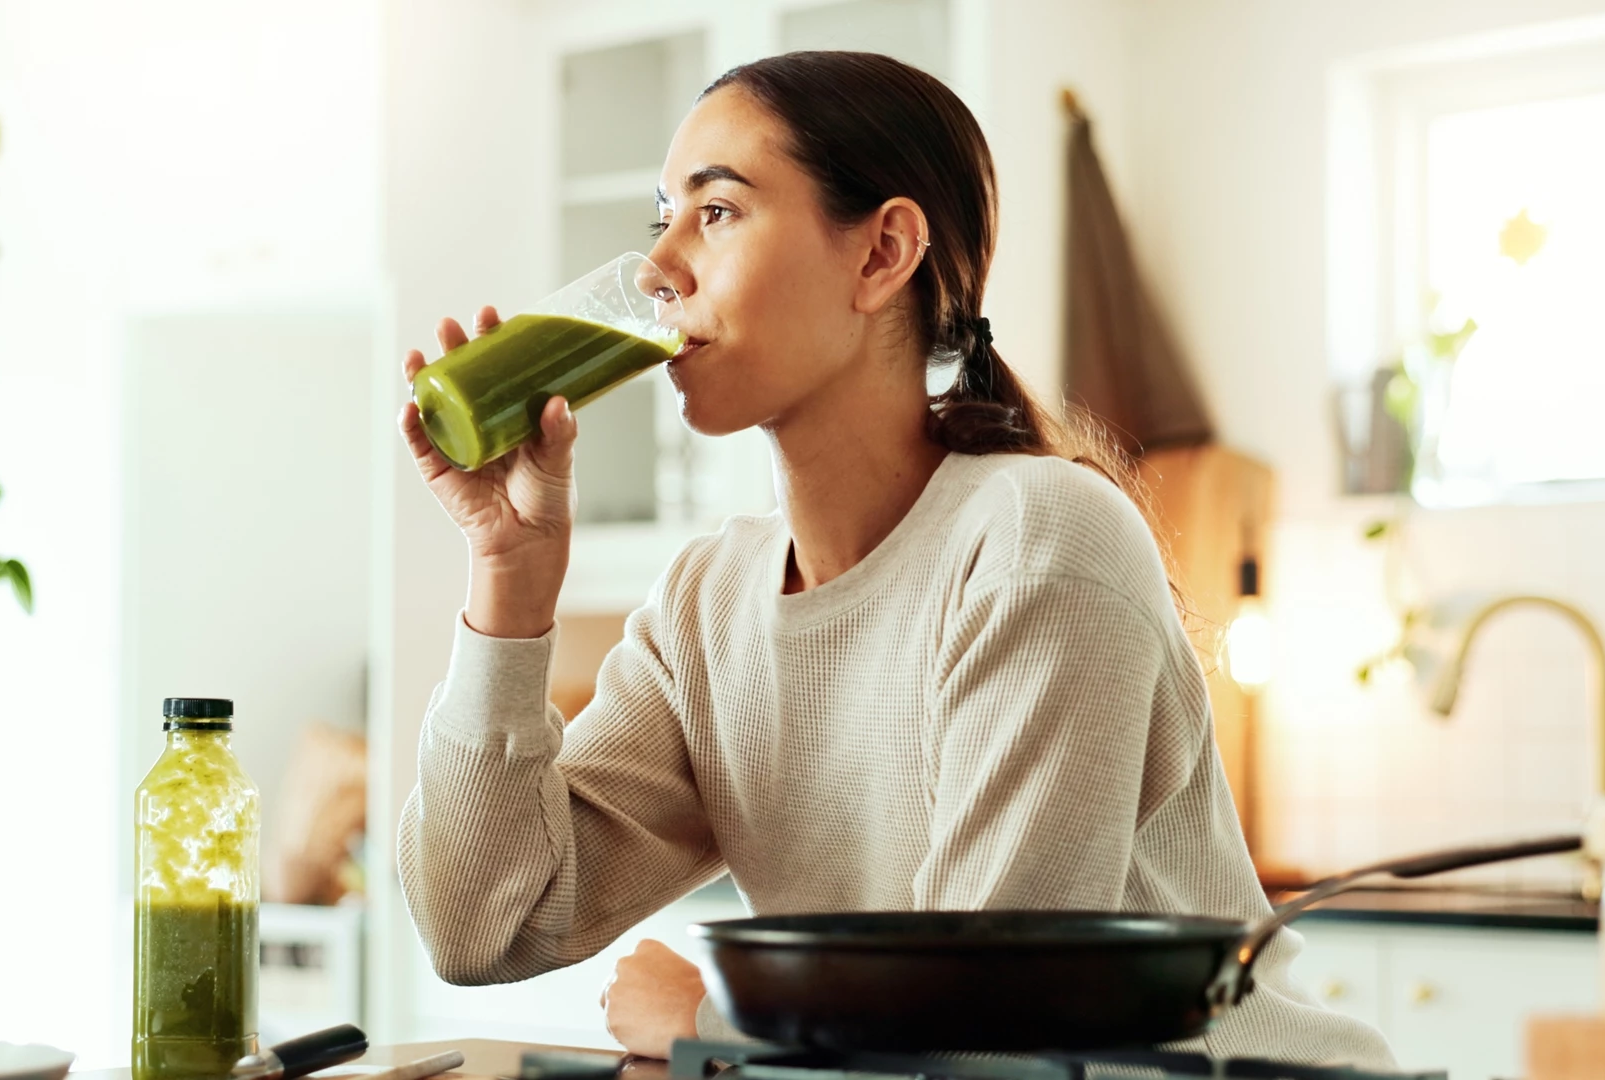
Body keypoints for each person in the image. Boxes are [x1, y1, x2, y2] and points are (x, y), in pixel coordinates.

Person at [395, 51, 1394, 1069]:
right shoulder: (710, 603)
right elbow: (484, 928)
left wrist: (709, 1027)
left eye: (720, 212)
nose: (660, 267)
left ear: (880, 255)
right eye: (663, 220)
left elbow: (994, 1016)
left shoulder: (1037, 542)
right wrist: (507, 585)